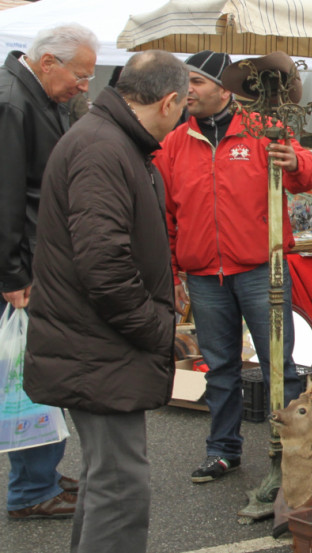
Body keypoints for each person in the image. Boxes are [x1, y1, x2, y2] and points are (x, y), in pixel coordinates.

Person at [23, 50, 188, 552]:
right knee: (120, 486)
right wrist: (158, 332)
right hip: (97, 346)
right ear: (169, 101)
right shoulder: (103, 147)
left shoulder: (111, 140)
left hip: (93, 344)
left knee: (107, 481)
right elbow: (105, 268)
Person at [154, 50, 312, 483]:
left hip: (259, 271)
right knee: (221, 368)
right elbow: (167, 216)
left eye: (195, 81)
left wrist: (295, 160)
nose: (187, 91)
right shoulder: (175, 143)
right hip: (204, 275)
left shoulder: (263, 130)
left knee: (279, 367)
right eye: (184, 82)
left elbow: (310, 176)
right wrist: (174, 273)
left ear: (223, 87)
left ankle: (291, 453)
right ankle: (223, 450)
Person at [0, 23, 99, 521]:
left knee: (35, 372)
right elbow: (7, 197)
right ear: (46, 64)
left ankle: (39, 472)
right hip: (24, 271)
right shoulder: (13, 104)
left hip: (35, 260)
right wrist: (13, 276)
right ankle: (31, 487)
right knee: (30, 374)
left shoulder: (33, 97)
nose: (83, 86)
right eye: (79, 76)